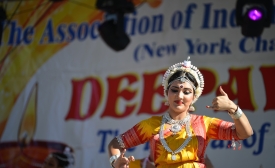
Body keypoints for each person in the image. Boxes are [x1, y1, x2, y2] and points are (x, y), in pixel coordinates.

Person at [108, 57, 253, 168]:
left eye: (187, 92)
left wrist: (233, 109)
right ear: (166, 93)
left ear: (194, 97)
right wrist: (116, 162)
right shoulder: (152, 125)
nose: (180, 96)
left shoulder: (204, 123)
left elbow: (244, 133)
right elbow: (116, 144)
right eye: (175, 90)